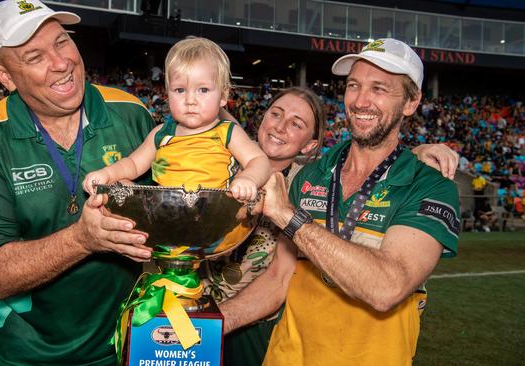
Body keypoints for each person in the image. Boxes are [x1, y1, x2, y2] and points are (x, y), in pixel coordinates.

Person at [222, 38, 460, 365]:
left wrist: (291, 219)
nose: (361, 101)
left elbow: (387, 287)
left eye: (379, 89)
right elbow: (278, 281)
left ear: (411, 101)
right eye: (353, 85)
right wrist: (213, 323)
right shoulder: (310, 176)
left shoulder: (430, 185)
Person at [0, 1, 153, 365]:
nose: (61, 63)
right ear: (5, 77)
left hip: (128, 344)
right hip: (29, 355)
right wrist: (82, 239)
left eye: (61, 42)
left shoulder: (132, 113)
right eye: (34, 56)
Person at [83, 37, 271, 201]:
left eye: (203, 90)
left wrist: (248, 179)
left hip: (214, 218)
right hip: (166, 217)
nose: (190, 100)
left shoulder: (228, 132)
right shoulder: (161, 133)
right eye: (180, 90)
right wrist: (107, 173)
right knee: (123, 184)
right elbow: (132, 164)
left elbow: (259, 160)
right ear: (168, 94)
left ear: (223, 96)